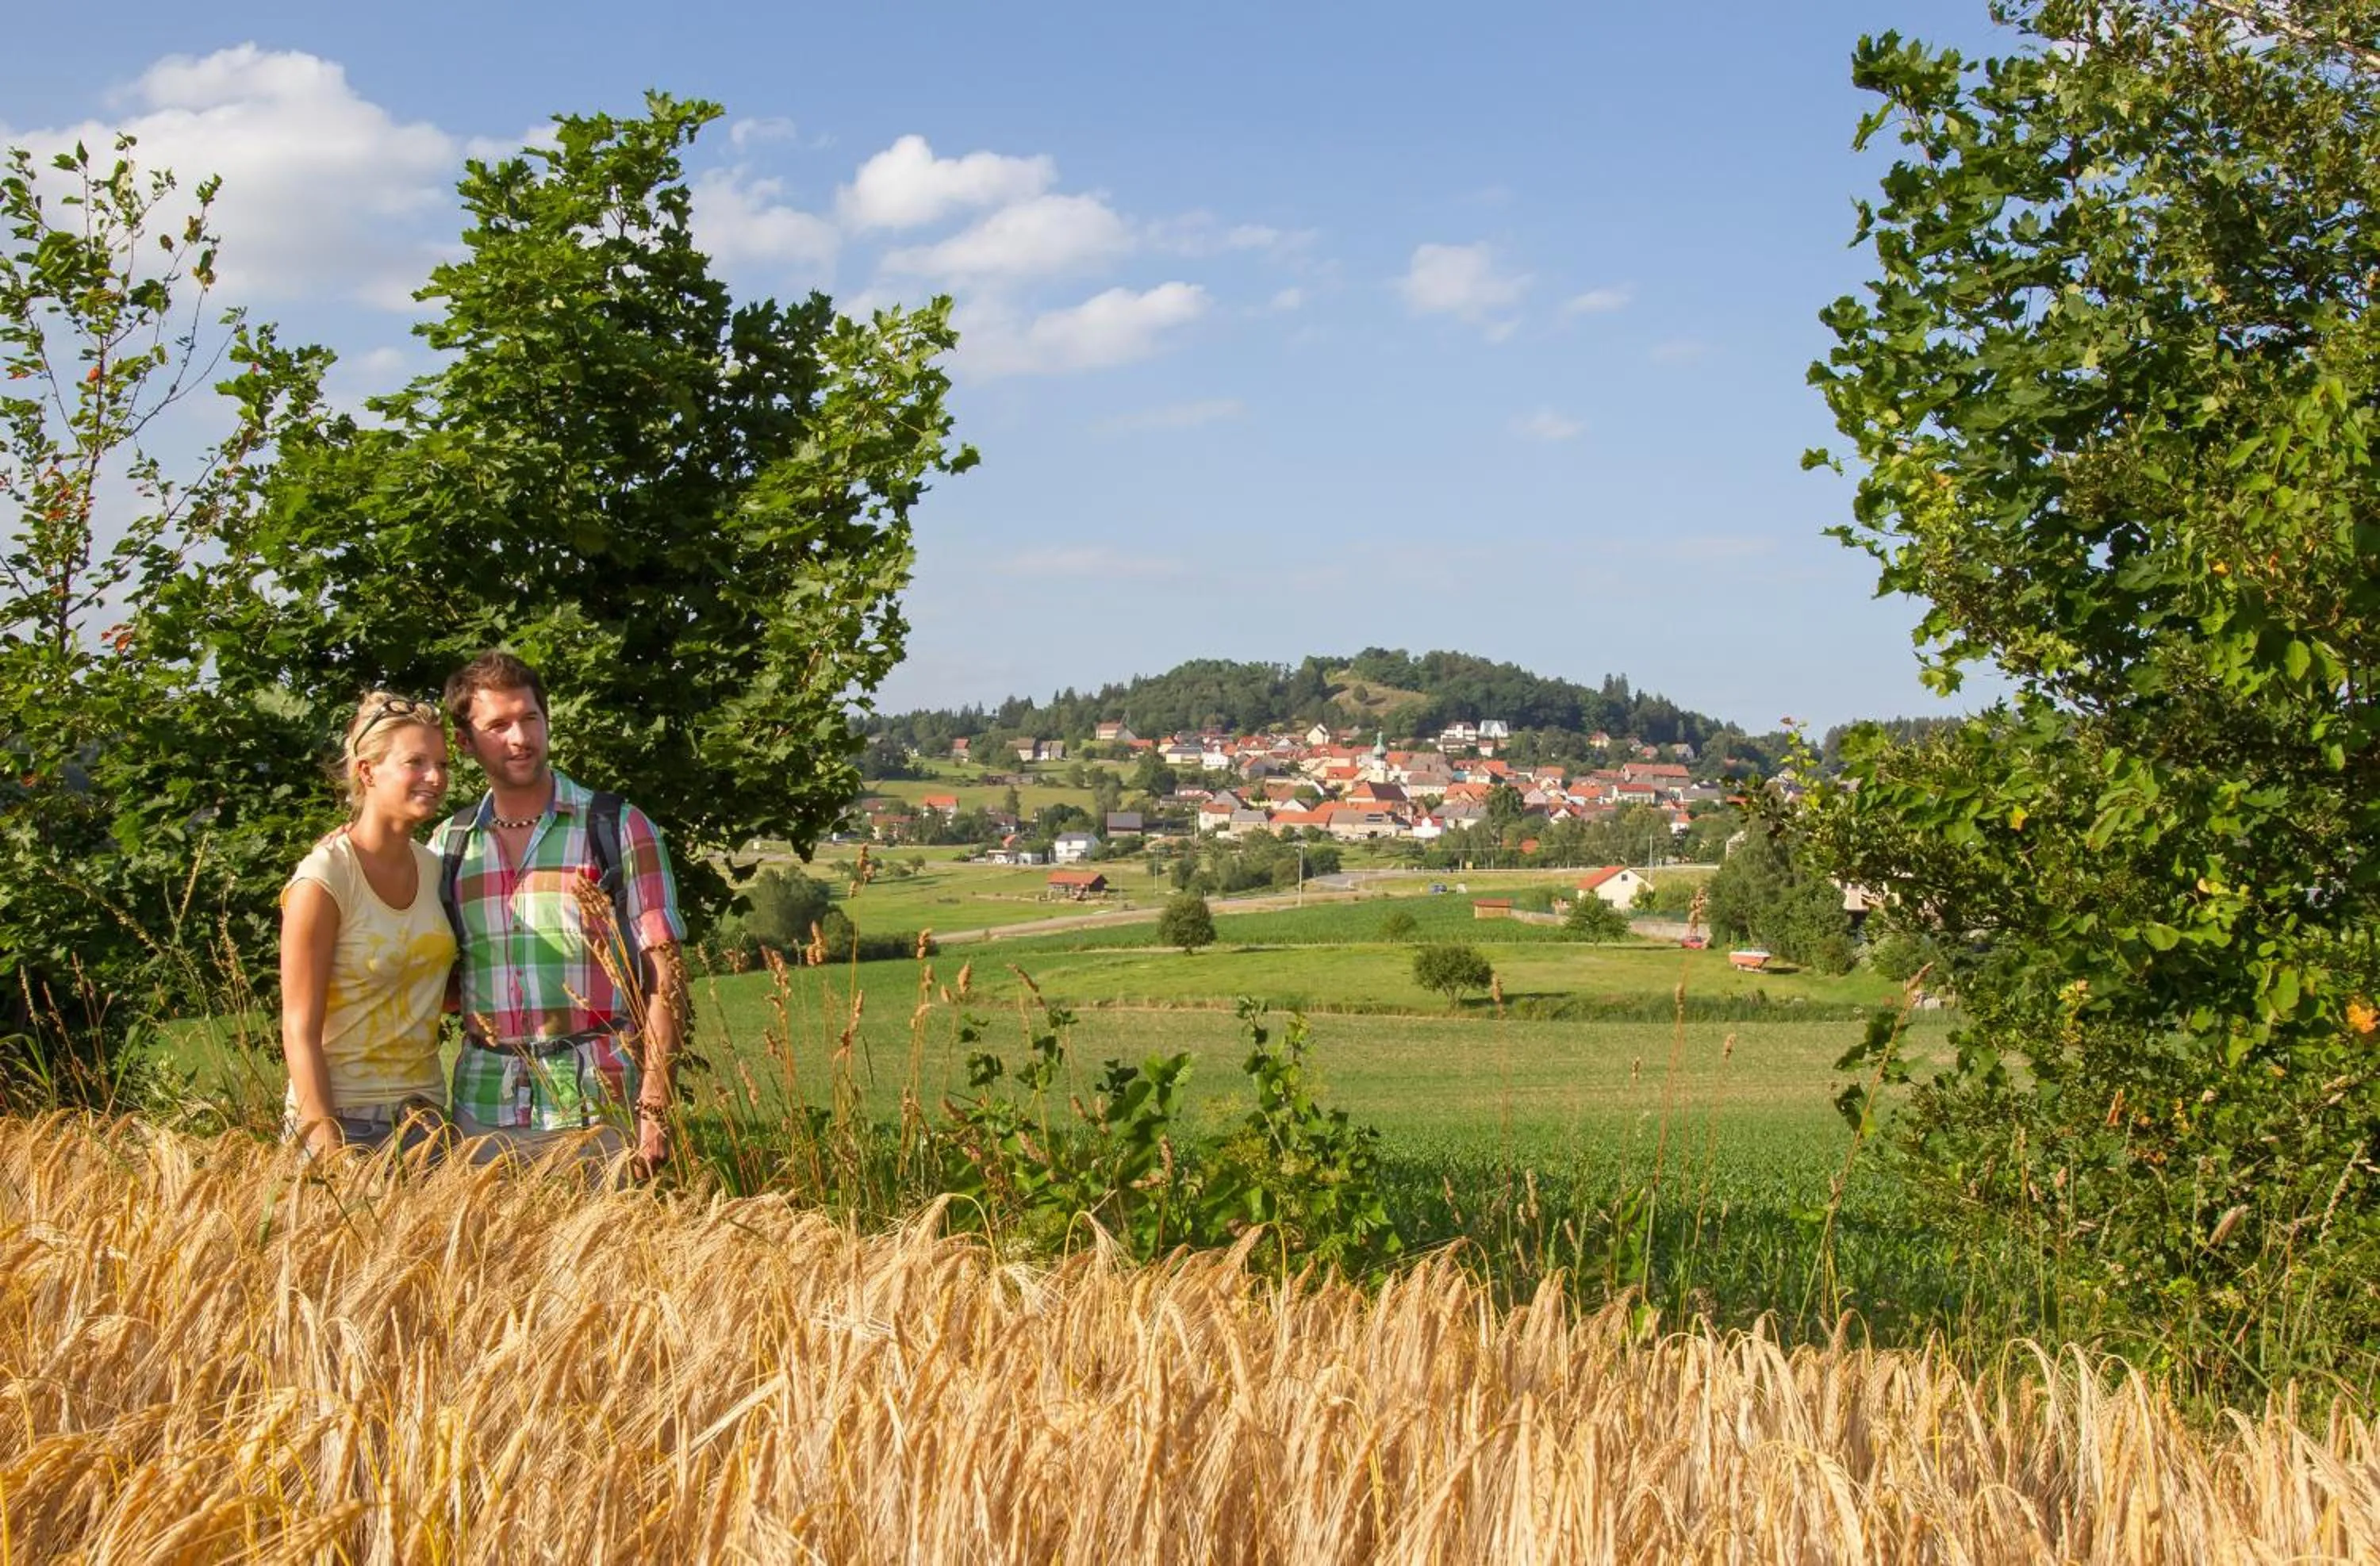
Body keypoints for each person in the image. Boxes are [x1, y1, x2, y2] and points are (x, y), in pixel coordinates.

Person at [435, 650, 686, 1173]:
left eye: (530, 718)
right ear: (464, 742)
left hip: (601, 1110)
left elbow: (666, 980)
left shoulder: (618, 828)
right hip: (483, 1115)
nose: (520, 738)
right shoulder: (449, 847)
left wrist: (655, 1108)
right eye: (498, 725)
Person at [279, 692, 457, 1157]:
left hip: (427, 1118)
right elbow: (299, 1028)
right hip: (345, 1117)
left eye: (441, 763)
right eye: (415, 762)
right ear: (367, 770)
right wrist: (327, 1145)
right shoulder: (325, 879)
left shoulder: (434, 866)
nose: (435, 777)